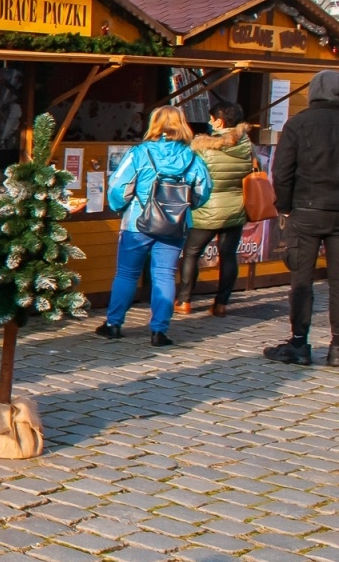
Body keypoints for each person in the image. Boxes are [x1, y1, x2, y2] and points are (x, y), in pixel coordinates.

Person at [95, 105, 212, 347]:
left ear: (154, 124)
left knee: (127, 274)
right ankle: (159, 331)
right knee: (165, 275)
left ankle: (114, 324)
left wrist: (121, 206)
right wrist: (185, 208)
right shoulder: (192, 157)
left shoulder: (139, 153)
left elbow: (118, 186)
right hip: (175, 225)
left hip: (138, 222)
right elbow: (203, 190)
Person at [266, 69, 339, 366]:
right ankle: (337, 348)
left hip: (305, 209)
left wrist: (284, 205)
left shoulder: (298, 124)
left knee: (301, 280)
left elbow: (281, 172)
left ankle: (299, 343)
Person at [176, 102, 254, 317]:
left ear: (219, 121)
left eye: (211, 119)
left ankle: (184, 301)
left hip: (207, 209)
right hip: (236, 209)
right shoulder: (247, 145)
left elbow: (191, 177)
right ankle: (221, 304)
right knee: (228, 255)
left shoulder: (203, 147)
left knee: (191, 253)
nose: (209, 123)